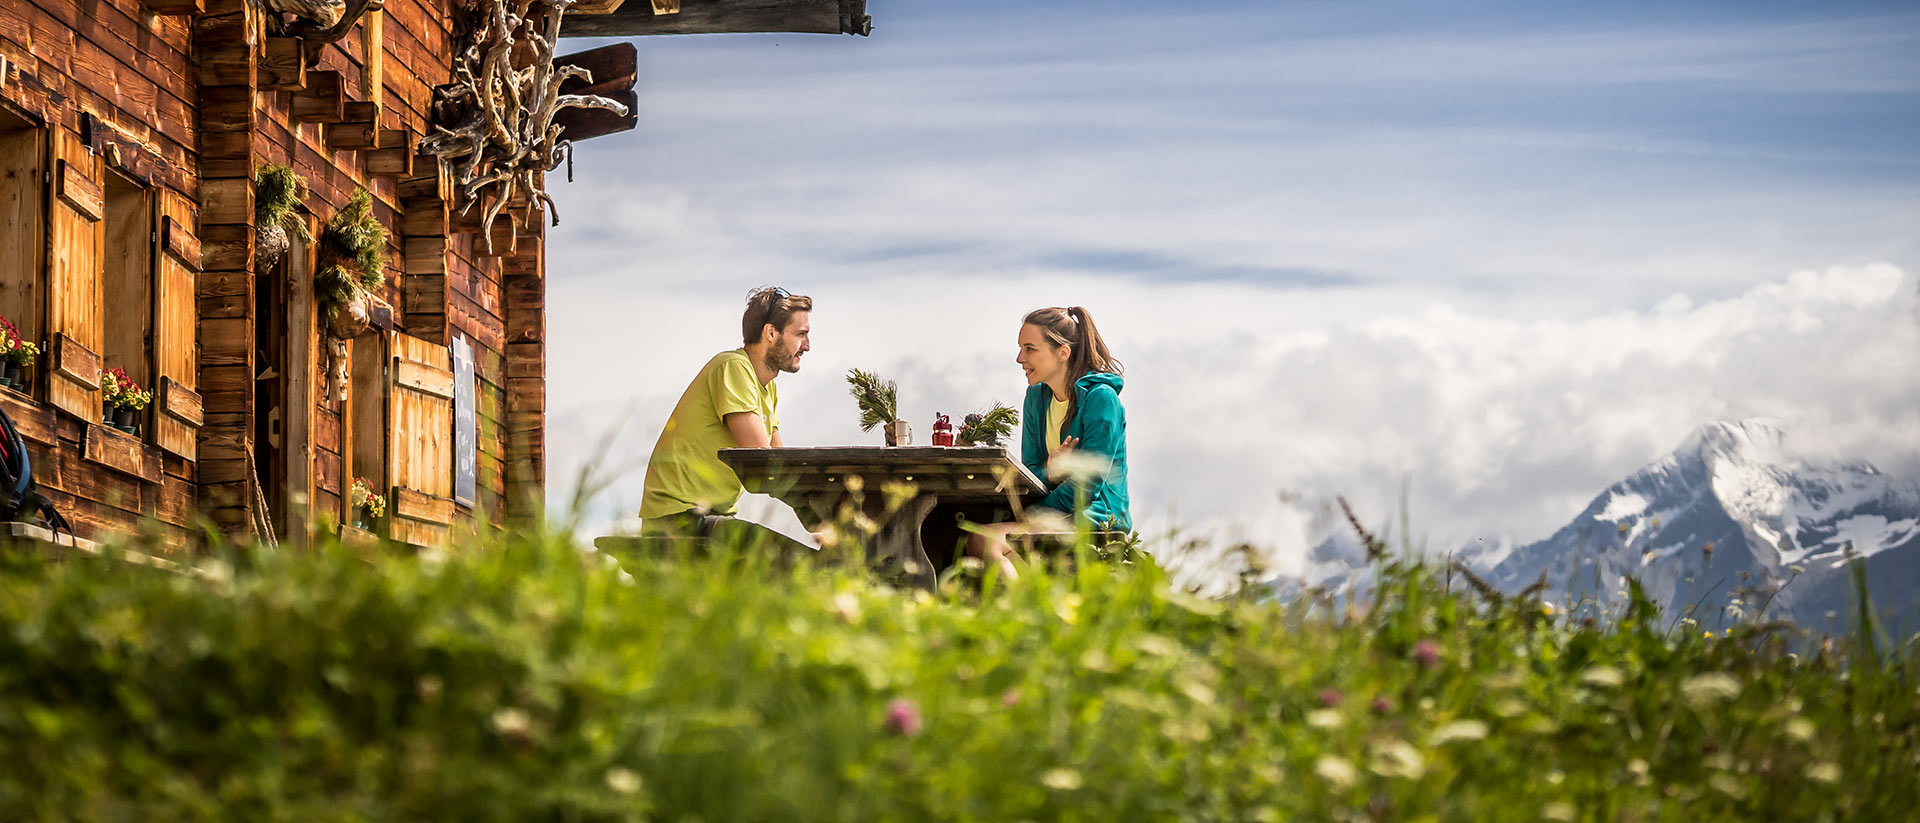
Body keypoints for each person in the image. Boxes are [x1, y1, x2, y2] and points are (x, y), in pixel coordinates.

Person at [635, 287, 815, 558]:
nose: (807, 345)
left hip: (708, 518)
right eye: (801, 334)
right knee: (795, 560)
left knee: (799, 560)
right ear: (771, 333)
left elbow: (782, 466)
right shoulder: (733, 368)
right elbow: (762, 464)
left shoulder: (767, 387)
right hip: (679, 521)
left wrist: (821, 523)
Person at [966, 306, 1130, 580]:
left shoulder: (1101, 399)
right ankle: (1038, 601)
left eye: (1030, 348)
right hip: (1057, 507)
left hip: (1097, 514)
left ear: (1062, 353)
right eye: (1020, 348)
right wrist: (1053, 471)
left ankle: (1028, 611)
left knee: (984, 540)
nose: (1020, 358)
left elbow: (1088, 485)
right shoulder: (1035, 398)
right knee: (963, 529)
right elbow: (1031, 470)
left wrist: (1033, 514)